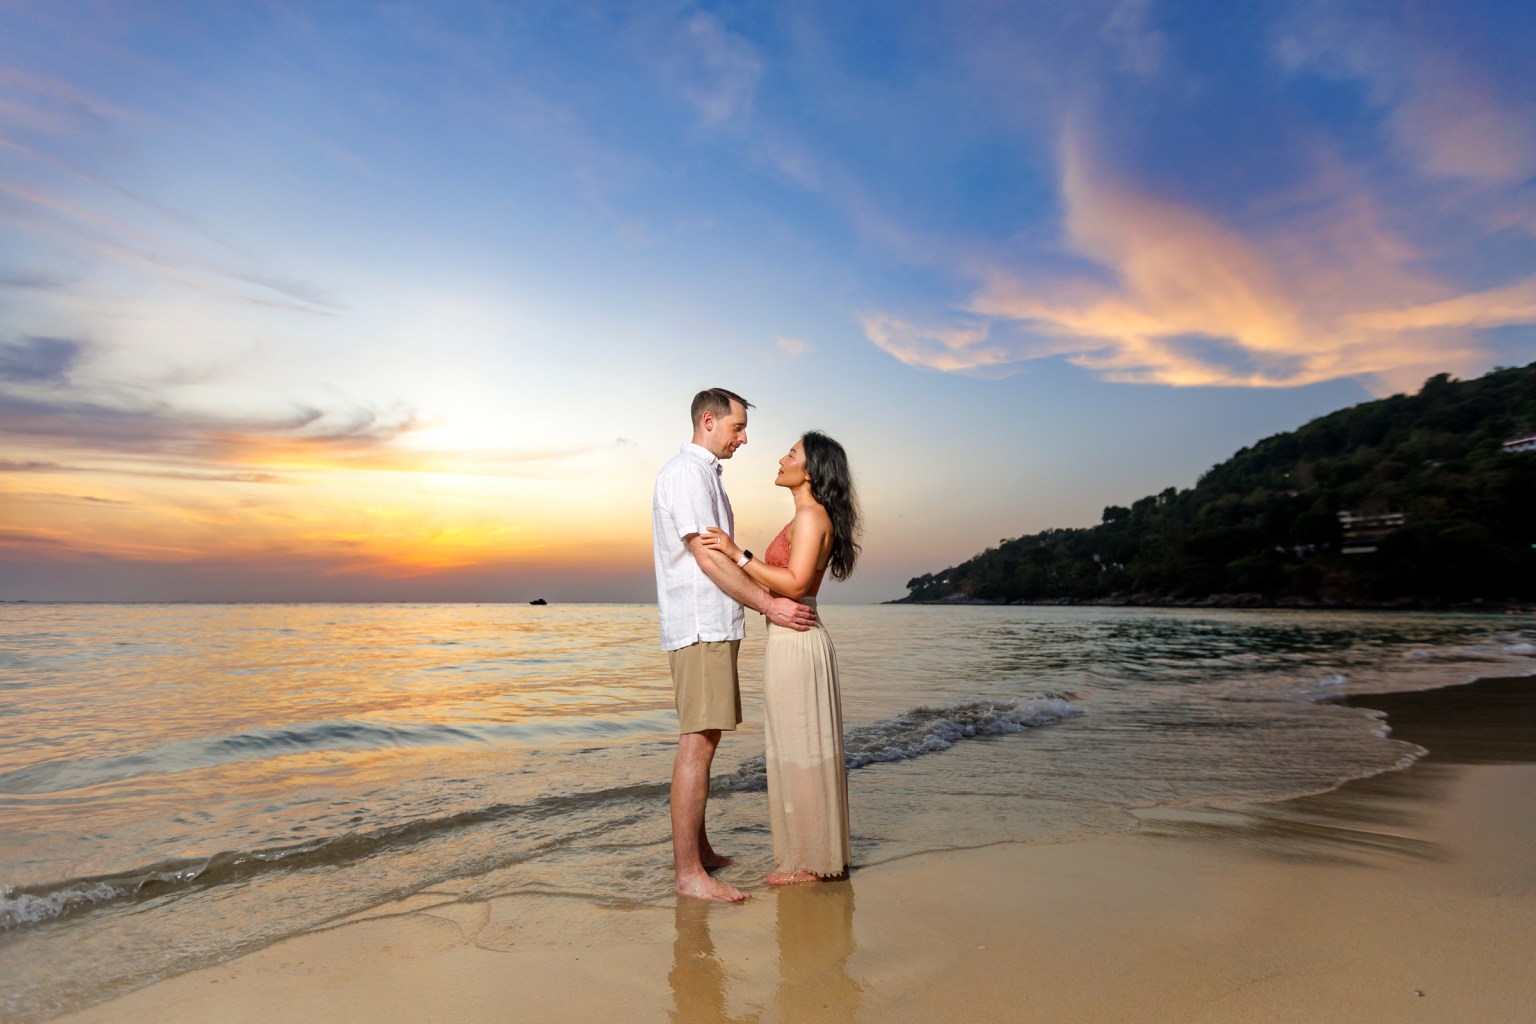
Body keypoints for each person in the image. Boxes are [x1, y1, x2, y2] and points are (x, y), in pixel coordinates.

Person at [653, 388, 818, 903]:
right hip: (700, 625)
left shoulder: (705, 477)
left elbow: (722, 555)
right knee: (696, 743)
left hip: (715, 624)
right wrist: (769, 606)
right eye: (737, 428)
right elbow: (707, 559)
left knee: (706, 739)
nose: (743, 440)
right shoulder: (686, 475)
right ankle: (688, 875)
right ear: (709, 420)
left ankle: (698, 852)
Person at [700, 430, 860, 885]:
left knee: (802, 749)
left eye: (791, 454)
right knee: (796, 746)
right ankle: (810, 854)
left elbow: (793, 583)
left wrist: (737, 552)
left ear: (810, 471)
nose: (781, 458)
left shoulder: (811, 517)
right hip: (790, 635)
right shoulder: (807, 516)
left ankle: (810, 862)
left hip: (797, 638)